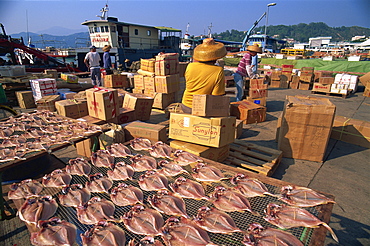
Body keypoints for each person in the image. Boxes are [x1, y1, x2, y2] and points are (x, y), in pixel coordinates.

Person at [181, 38, 227, 114]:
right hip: (202, 108)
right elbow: (216, 95)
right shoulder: (218, 70)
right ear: (216, 58)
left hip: (185, 105)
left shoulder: (190, 66)